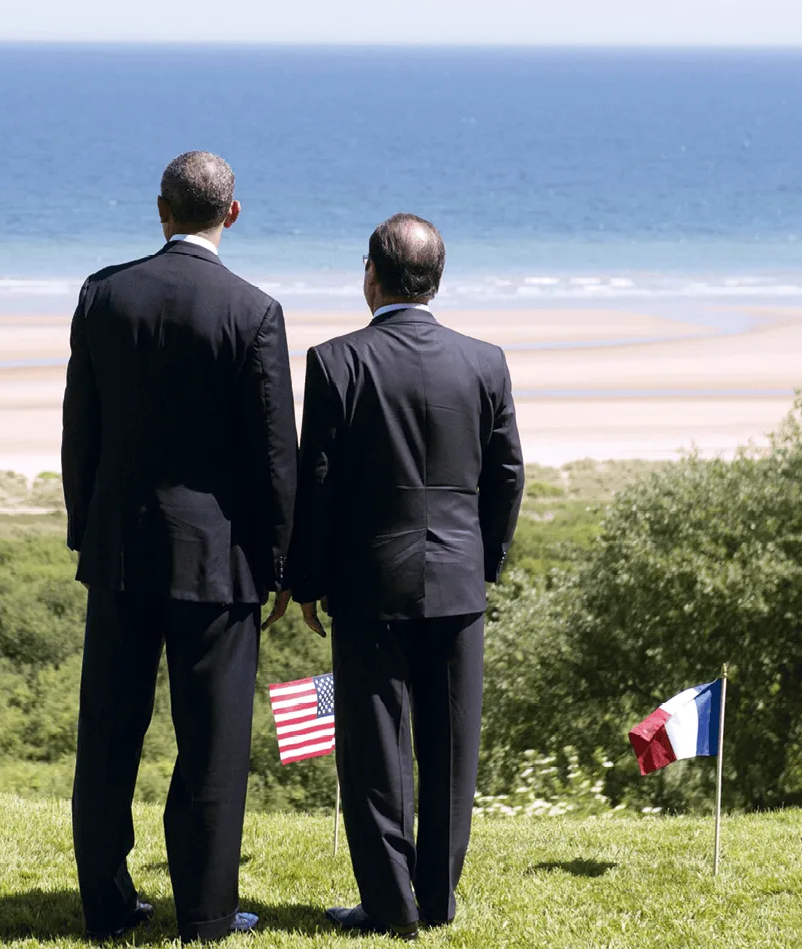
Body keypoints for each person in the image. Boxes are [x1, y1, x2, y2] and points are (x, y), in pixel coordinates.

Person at [62, 151, 297, 942]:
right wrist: (281, 564)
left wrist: (83, 532)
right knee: (213, 742)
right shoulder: (254, 311)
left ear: (160, 208)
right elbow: (274, 455)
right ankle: (203, 911)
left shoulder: (103, 294)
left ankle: (105, 905)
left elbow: (79, 433)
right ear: (231, 213)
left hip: (120, 550)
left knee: (107, 737)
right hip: (218, 558)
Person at [284, 214, 524, 938]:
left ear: (371, 274)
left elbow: (315, 481)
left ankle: (390, 907)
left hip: (367, 584)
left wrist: (306, 579)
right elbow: (507, 474)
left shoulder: (335, 361)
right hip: (458, 583)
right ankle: (438, 899)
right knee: (451, 752)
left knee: (374, 751)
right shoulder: (485, 361)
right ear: (437, 277)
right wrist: (482, 561)